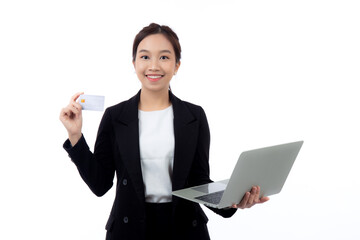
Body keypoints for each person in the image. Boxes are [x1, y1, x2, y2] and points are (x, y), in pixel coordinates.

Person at [59, 23, 269, 240]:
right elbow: (100, 184)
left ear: (177, 65)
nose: (154, 66)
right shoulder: (115, 117)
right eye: (145, 57)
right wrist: (75, 136)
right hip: (129, 230)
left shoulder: (194, 116)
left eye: (164, 57)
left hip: (184, 229)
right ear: (134, 63)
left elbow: (199, 182)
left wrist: (234, 201)